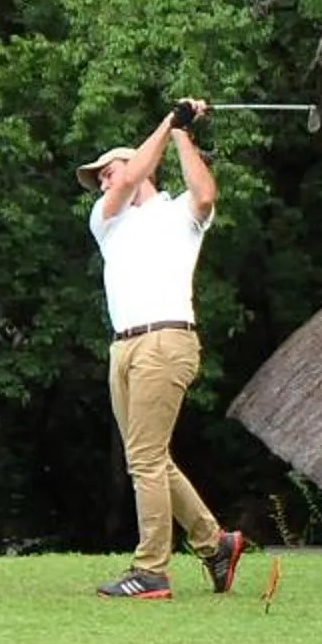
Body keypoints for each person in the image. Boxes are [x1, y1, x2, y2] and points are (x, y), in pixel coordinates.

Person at [77, 99, 249, 600]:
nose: (106, 183)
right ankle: (214, 544)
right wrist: (170, 120)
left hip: (166, 339)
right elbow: (131, 181)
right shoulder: (105, 221)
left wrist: (180, 133)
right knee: (148, 458)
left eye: (108, 173)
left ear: (135, 166)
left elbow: (206, 191)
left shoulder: (179, 214)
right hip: (123, 348)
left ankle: (151, 569)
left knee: (146, 459)